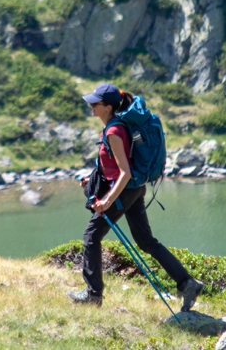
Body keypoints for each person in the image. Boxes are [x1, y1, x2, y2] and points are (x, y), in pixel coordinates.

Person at [67, 83, 204, 311]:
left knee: (91, 236)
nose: (91, 106)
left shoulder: (113, 131)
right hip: (134, 189)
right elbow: (115, 166)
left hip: (125, 191)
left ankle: (93, 295)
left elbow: (124, 172)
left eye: (95, 103)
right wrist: (91, 180)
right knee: (145, 241)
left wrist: (107, 201)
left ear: (108, 106)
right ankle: (187, 283)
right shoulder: (116, 126)